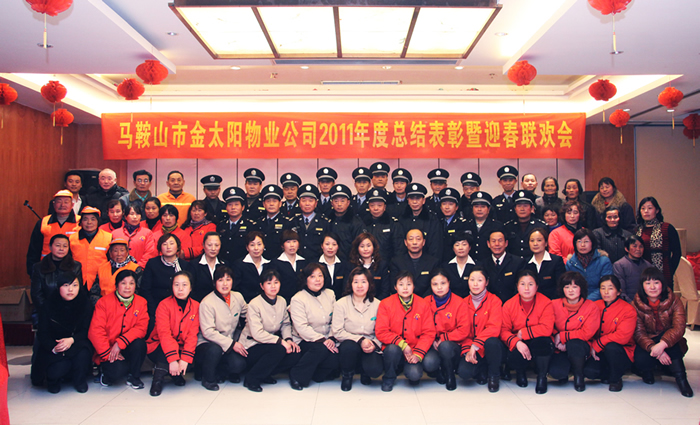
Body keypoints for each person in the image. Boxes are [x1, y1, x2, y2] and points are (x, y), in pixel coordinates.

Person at [633, 267, 693, 397]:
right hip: (648, 341)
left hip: (668, 340)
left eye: (656, 282)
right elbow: (639, 333)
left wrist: (663, 344)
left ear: (662, 284)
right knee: (640, 359)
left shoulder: (674, 300)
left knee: (674, 347)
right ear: (642, 286)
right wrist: (654, 348)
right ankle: (648, 370)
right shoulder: (636, 304)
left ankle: (682, 379)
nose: (652, 287)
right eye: (648, 283)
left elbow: (679, 327)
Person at [238, 270, 301, 392]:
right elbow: (257, 333)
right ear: (262, 286)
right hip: (251, 345)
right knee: (278, 350)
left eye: (276, 282)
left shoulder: (282, 301)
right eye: (268, 283)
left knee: (295, 353)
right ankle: (251, 379)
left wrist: (288, 339)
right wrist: (281, 341)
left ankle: (265, 374)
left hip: (270, 343)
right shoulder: (254, 304)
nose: (273, 286)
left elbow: (285, 324)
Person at [376, 271, 436, 391]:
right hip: (395, 347)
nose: (405, 288)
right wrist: (402, 344)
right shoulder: (385, 304)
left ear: (414, 286)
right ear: (395, 287)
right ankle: (389, 377)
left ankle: (410, 366)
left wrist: (418, 353)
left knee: (416, 373)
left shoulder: (423, 304)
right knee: (392, 350)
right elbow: (381, 331)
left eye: (408, 284)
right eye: (401, 284)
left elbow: (429, 332)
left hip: (415, 348)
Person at [88, 269, 148, 389]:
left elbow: (141, 327)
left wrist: (120, 343)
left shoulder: (141, 302)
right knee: (117, 372)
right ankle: (104, 373)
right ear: (116, 285)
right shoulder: (104, 302)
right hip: (108, 349)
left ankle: (134, 377)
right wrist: (108, 353)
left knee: (140, 344)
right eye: (123, 283)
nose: (127, 287)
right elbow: (95, 331)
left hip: (126, 345)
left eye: (131, 283)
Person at [34, 274, 93, 393]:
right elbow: (42, 333)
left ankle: (79, 381)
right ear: (58, 287)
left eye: (75, 285)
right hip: (55, 345)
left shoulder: (86, 304)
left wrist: (72, 340)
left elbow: (87, 330)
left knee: (83, 354)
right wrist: (54, 347)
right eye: (66, 285)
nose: (70, 290)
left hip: (76, 342)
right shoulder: (48, 305)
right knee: (59, 367)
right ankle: (53, 381)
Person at [500, 269, 554, 394]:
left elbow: (547, 328)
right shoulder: (509, 305)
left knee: (543, 343)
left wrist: (524, 333)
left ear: (537, 286)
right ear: (517, 286)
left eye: (530, 284)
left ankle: (542, 377)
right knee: (514, 353)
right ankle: (520, 373)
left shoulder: (546, 302)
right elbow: (504, 330)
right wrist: (517, 342)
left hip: (538, 340)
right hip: (518, 341)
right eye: (522, 284)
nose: (526, 288)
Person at [146, 271, 200, 396]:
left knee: (188, 360)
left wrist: (185, 359)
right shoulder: (164, 305)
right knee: (164, 353)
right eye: (176, 285)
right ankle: (157, 380)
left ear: (191, 288)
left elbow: (192, 335)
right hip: (159, 345)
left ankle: (175, 374)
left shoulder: (196, 306)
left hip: (182, 346)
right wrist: (173, 359)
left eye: (184, 285)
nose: (180, 289)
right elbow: (164, 334)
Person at [194, 266, 247, 391]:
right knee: (215, 350)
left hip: (229, 341)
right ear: (214, 283)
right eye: (220, 280)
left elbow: (249, 314)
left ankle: (220, 372)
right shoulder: (207, 302)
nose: (225, 284)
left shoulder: (238, 297)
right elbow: (208, 332)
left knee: (239, 364)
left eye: (228, 280)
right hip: (208, 343)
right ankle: (208, 379)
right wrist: (232, 344)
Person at [288, 263, 339, 390]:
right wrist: (323, 340)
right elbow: (302, 328)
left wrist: (331, 338)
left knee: (335, 358)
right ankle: (296, 376)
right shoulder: (298, 299)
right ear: (305, 279)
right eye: (312, 276)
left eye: (320, 276)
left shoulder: (330, 294)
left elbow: (336, 319)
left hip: (327, 337)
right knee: (320, 349)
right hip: (305, 339)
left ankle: (315, 374)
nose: (317, 280)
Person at [331, 267, 383, 391]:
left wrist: (374, 344)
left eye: (363, 281)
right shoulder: (341, 304)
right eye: (356, 282)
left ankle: (365, 372)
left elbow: (383, 331)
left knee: (375, 370)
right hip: (349, 344)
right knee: (349, 347)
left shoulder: (378, 304)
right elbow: (337, 331)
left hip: (370, 342)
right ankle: (347, 375)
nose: (360, 286)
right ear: (350, 284)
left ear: (369, 284)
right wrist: (360, 340)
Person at [548, 271, 601, 392]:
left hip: (580, 347)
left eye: (575, 287)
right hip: (558, 346)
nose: (571, 290)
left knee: (574, 343)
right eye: (567, 287)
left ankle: (579, 375)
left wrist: (562, 336)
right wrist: (557, 338)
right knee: (557, 372)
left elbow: (587, 332)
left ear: (581, 288)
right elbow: (548, 325)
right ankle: (566, 370)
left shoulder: (591, 307)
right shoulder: (553, 304)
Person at [584, 275, 637, 392]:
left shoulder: (628, 309)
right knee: (590, 372)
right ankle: (608, 372)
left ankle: (615, 379)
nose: (606, 292)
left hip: (620, 350)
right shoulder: (595, 305)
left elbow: (622, 337)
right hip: (599, 350)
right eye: (603, 288)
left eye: (610, 288)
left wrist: (598, 344)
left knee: (611, 347)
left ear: (618, 292)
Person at [458, 267, 503, 392]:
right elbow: (463, 330)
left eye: (479, 280)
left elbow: (494, 328)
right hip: (471, 347)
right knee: (464, 373)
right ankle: (482, 368)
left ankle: (494, 375)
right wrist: (468, 350)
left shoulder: (494, 301)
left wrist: (475, 345)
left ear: (486, 282)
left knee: (492, 342)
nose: (475, 284)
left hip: (488, 347)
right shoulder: (463, 303)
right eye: (472, 280)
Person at [423, 269, 469, 390]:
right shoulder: (425, 302)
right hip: (432, 343)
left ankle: (449, 375)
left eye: (443, 283)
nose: (439, 287)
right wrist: (432, 340)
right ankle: (437, 371)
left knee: (445, 346)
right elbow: (421, 327)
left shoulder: (459, 302)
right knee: (429, 363)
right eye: (435, 284)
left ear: (449, 283)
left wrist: (444, 338)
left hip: (452, 344)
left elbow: (464, 330)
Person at [141, 233, 196, 334]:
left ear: (178, 247)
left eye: (171, 243)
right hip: (155, 306)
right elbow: (145, 289)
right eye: (165, 244)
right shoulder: (152, 263)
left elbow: (190, 289)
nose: (168, 247)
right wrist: (154, 310)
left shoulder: (185, 265)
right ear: (160, 248)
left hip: (179, 308)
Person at [27, 189, 81, 276]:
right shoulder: (43, 222)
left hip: (71, 269)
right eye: (59, 202)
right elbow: (34, 250)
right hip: (45, 269)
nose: (62, 205)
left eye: (66, 202)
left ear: (72, 205)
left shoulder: (80, 223)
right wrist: (32, 271)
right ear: (54, 204)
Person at [31, 234, 84, 317]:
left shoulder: (75, 266)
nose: (61, 249)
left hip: (70, 311)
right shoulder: (39, 267)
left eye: (65, 246)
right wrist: (48, 312)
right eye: (58, 245)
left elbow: (79, 291)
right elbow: (36, 294)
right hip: (45, 312)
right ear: (50, 247)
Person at [635, 196, 682, 285]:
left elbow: (677, 253)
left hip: (664, 274)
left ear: (657, 210)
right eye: (643, 208)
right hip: (642, 274)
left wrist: (671, 271)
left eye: (650, 208)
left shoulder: (667, 228)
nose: (646, 211)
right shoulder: (637, 230)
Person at [69, 206, 112, 291]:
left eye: (93, 219)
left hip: (101, 282)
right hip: (77, 282)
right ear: (81, 222)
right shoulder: (72, 238)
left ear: (98, 221)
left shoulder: (108, 238)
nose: (89, 222)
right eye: (85, 219)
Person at [390, 228, 440, 297]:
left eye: (418, 239)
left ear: (423, 242)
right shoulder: (396, 262)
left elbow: (434, 284)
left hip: (427, 300)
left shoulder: (433, 262)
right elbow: (393, 285)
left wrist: (421, 301)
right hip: (403, 299)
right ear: (405, 242)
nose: (414, 242)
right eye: (411, 239)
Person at [565, 228, 613, 301]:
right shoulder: (570, 263)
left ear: (592, 243)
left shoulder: (604, 261)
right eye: (579, 241)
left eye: (586, 241)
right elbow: (568, 286)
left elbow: (606, 285)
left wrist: (588, 301)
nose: (582, 245)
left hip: (599, 299)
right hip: (576, 300)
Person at [91, 238, 142, 304]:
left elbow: (139, 292)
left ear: (127, 252)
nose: (119, 254)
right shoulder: (102, 268)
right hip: (103, 305)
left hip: (126, 305)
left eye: (122, 250)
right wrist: (100, 304)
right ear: (110, 253)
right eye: (115, 251)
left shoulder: (135, 269)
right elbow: (94, 292)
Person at [398, 183, 442, 259]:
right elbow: (399, 245)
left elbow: (435, 246)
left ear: (424, 200)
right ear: (408, 200)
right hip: (405, 261)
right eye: (412, 199)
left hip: (428, 261)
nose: (415, 202)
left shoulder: (432, 219)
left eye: (418, 198)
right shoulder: (402, 219)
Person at [289, 184, 331, 261]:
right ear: (299, 203)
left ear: (316, 203)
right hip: (296, 261)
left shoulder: (324, 222)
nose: (307, 204)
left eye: (311, 201)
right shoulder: (293, 221)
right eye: (304, 200)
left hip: (317, 262)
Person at [363, 188, 404, 265]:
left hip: (388, 266)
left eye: (379, 205)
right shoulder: (363, 224)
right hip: (366, 265)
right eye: (372, 205)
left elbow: (399, 250)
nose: (376, 208)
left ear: (385, 207)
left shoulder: (393, 225)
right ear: (368, 207)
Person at [484, 230, 526, 304]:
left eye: (500, 241)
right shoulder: (483, 264)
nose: (497, 244)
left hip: (513, 305)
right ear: (488, 244)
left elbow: (521, 287)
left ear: (506, 243)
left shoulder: (518, 263)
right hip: (490, 306)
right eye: (493, 241)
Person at [217, 186, 257, 265]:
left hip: (243, 265)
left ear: (243, 207)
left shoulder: (250, 225)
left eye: (236, 204)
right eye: (230, 205)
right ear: (226, 207)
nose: (233, 208)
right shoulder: (221, 225)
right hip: (224, 265)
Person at [503, 190, 547, 258]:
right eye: (519, 206)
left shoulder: (541, 226)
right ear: (515, 209)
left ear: (532, 208)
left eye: (525, 206)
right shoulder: (508, 226)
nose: (522, 209)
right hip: (513, 263)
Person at [233, 231, 274, 302]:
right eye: (252, 245)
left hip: (267, 303)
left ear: (264, 246)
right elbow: (235, 289)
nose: (256, 248)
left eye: (259, 244)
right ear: (247, 247)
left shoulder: (269, 264)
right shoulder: (239, 265)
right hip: (245, 304)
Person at [525, 227, 565, 300]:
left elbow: (560, 286)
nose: (535, 244)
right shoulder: (525, 263)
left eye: (539, 240)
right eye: (532, 241)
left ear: (546, 243)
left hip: (552, 302)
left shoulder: (556, 261)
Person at [326, 184, 364, 261]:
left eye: (342, 201)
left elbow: (359, 244)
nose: (339, 204)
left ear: (348, 202)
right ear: (332, 203)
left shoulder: (356, 222)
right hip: (329, 261)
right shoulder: (327, 220)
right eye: (336, 201)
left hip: (350, 261)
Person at [112, 204, 157, 268]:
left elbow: (150, 253)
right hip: (119, 269)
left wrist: (137, 267)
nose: (135, 217)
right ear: (125, 216)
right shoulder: (115, 233)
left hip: (141, 269)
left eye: (138, 214)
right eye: (132, 214)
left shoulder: (147, 233)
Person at [348, 232, 391, 300]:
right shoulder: (351, 265)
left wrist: (374, 303)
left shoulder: (382, 265)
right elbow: (347, 289)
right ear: (357, 248)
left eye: (368, 246)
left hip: (377, 303)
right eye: (362, 246)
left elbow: (385, 291)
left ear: (374, 247)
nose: (365, 249)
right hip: (355, 302)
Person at [612, 235, 654, 301]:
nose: (638, 249)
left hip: (646, 301)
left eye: (641, 246)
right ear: (626, 249)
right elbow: (621, 291)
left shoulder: (648, 265)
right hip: (627, 302)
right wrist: (631, 304)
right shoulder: (619, 265)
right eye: (634, 246)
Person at [466, 191, 504, 262]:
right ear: (472, 209)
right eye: (476, 206)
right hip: (470, 263)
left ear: (488, 209)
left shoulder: (497, 226)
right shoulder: (466, 225)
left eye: (483, 207)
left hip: (490, 263)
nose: (479, 209)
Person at [271, 230, 307, 303]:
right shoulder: (276, 263)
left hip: (302, 301)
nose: (292, 245)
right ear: (282, 245)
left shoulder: (304, 262)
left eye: (294, 241)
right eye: (288, 242)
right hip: (282, 302)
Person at [190, 232, 227, 302]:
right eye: (209, 245)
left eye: (217, 245)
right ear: (203, 245)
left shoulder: (225, 264)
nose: (213, 248)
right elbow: (191, 290)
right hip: (200, 303)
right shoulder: (194, 265)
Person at [257, 184, 291, 260]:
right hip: (261, 260)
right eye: (268, 201)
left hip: (280, 261)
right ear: (264, 204)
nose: (271, 204)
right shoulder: (258, 222)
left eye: (274, 201)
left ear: (280, 204)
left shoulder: (287, 223)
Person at [442, 231, 477, 298]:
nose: (460, 248)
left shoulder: (477, 266)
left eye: (464, 244)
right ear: (453, 248)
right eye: (457, 245)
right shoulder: (445, 267)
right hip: (451, 302)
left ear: (469, 247)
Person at [438, 188, 468, 263]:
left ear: (456, 207)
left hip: (456, 262)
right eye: (444, 204)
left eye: (451, 204)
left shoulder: (463, 224)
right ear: (440, 207)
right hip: (439, 261)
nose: (447, 207)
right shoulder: (437, 222)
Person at [318, 232, 351, 299]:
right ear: (322, 246)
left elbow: (347, 287)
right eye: (327, 244)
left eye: (334, 244)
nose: (330, 247)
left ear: (338, 246)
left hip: (341, 301)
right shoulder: (315, 264)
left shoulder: (345, 265)